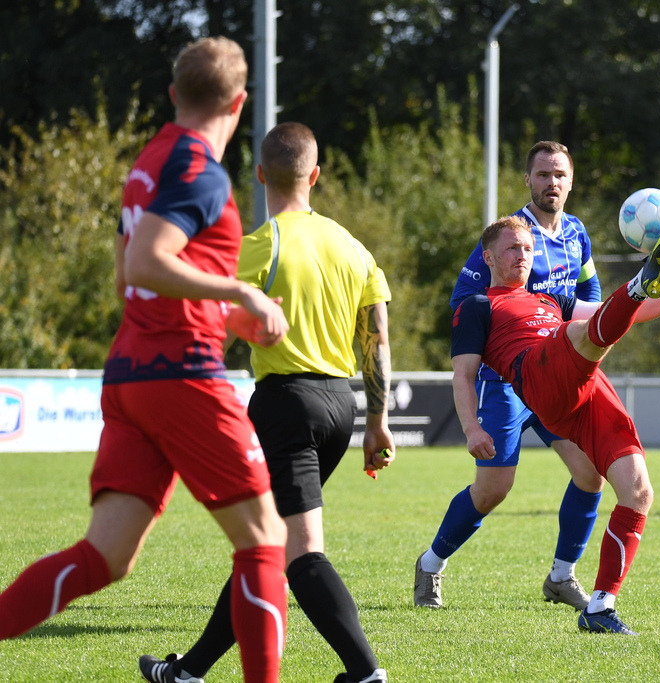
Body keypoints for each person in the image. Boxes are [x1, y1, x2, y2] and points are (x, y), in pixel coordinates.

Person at [0, 37, 291, 681]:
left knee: (106, 557)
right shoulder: (198, 170)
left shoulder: (150, 161)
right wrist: (241, 292)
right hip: (181, 376)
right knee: (266, 542)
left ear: (173, 94)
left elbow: (128, 278)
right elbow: (144, 263)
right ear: (240, 103)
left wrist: (232, 320)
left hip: (132, 373)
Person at [139, 123, 392, 683]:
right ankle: (189, 672)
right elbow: (376, 337)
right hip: (340, 406)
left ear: (258, 175)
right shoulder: (352, 246)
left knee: (299, 553)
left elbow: (201, 313)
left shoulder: (260, 244)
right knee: (266, 547)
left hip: (287, 405)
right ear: (316, 175)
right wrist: (377, 421)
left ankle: (365, 673)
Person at [446, 215, 660, 634]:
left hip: (584, 383)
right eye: (512, 248)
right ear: (488, 257)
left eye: (528, 249)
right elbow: (463, 374)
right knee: (581, 334)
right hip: (536, 373)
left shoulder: (551, 300)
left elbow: (628, 315)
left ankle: (600, 607)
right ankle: (637, 282)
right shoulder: (478, 306)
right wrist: (471, 427)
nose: (523, 255)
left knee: (638, 491)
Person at [415, 141, 604, 611]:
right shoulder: (509, 235)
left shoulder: (577, 232)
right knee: (493, 490)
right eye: (542, 174)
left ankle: (561, 576)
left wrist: (588, 341)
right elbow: (464, 300)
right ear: (528, 180)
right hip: (507, 382)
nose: (551, 182)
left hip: (557, 378)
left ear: (571, 181)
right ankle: (431, 563)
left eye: (559, 174)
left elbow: (590, 294)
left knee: (591, 472)